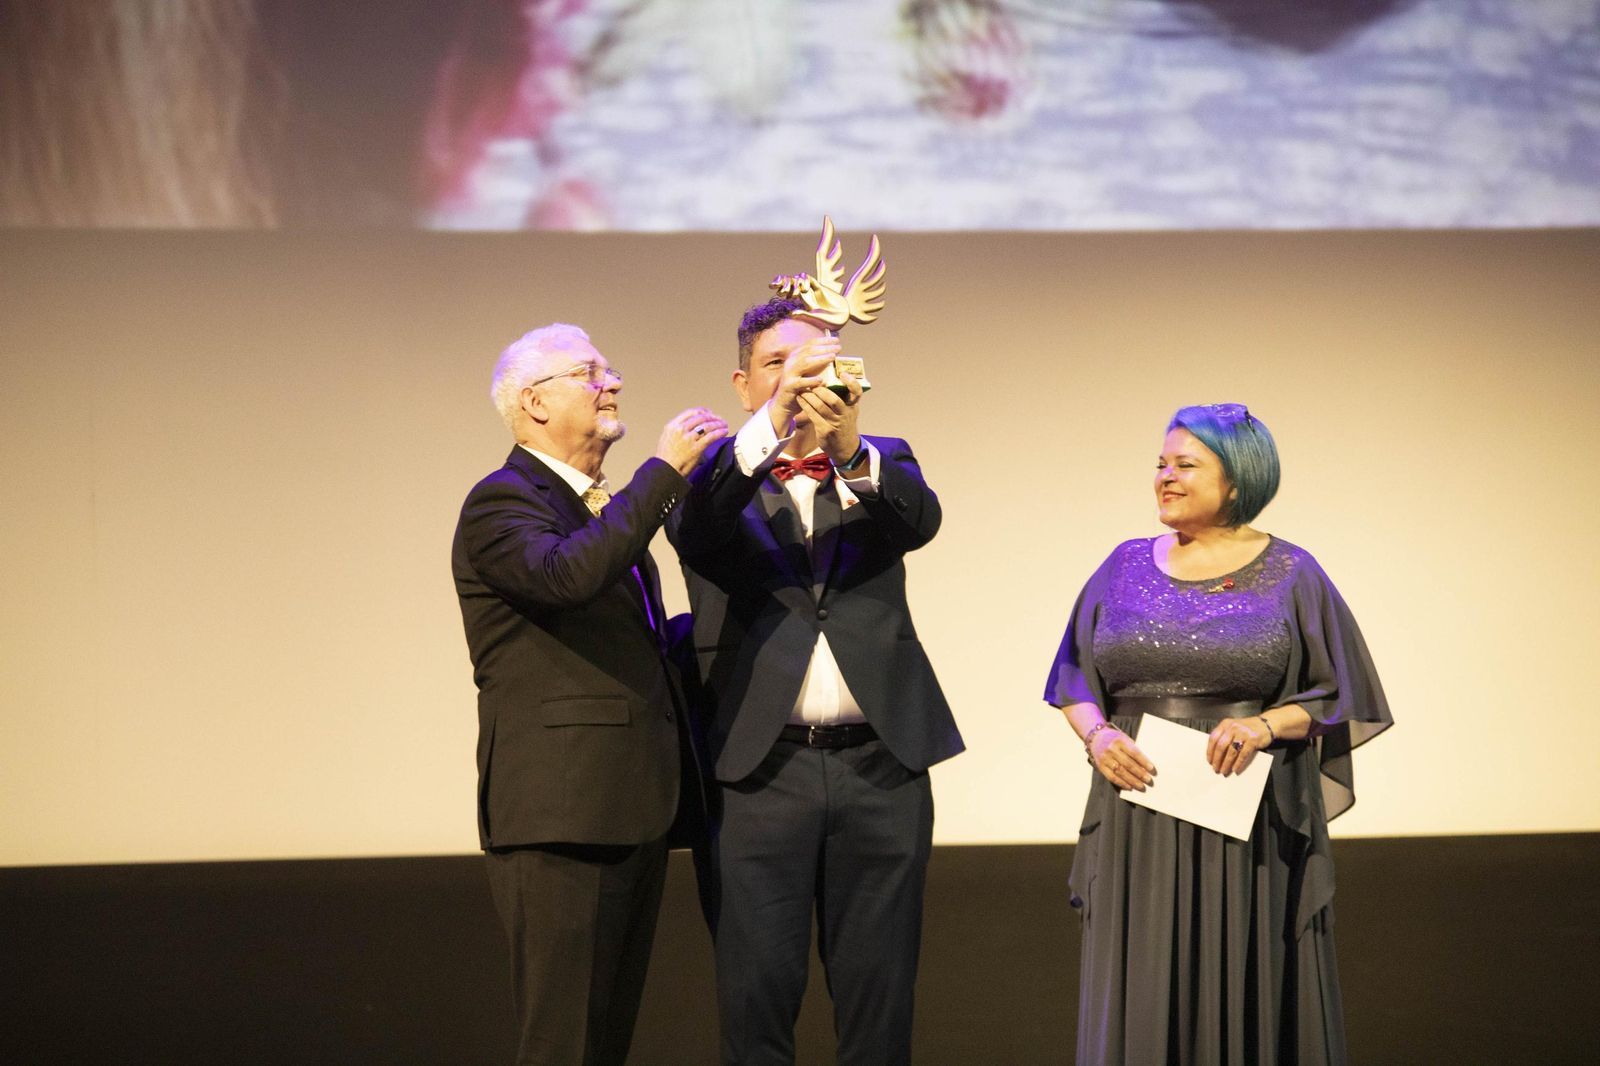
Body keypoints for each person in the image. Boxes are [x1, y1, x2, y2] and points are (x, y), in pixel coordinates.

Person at [1043, 403, 1392, 1065]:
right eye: (1161, 464)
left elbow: (1340, 692)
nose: (1165, 477)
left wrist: (1264, 724)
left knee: (1244, 982)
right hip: (1137, 817)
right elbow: (1073, 678)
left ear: (1236, 482)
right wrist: (1097, 738)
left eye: (1185, 465)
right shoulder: (1122, 564)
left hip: (1246, 819)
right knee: (1142, 991)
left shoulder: (1291, 571)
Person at [668, 297, 965, 1065]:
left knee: (879, 1005)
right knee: (756, 1001)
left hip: (882, 768)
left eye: (816, 363)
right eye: (779, 364)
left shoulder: (883, 458)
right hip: (760, 773)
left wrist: (849, 446)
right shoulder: (709, 473)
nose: (800, 379)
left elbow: (920, 524)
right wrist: (774, 425)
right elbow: (697, 533)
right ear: (743, 385)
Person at [451, 323, 727, 1065]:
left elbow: (634, 643)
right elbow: (566, 577)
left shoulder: (597, 509)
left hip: (626, 809)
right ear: (535, 403)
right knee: (563, 1045)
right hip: (563, 819)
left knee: (600, 1044)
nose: (613, 383)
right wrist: (662, 474)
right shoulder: (501, 501)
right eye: (589, 372)